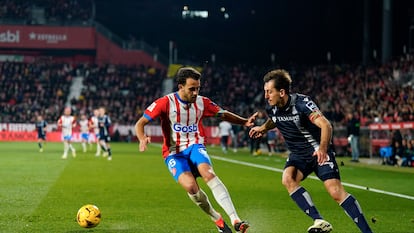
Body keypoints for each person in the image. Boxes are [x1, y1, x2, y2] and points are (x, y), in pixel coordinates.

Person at [249, 69, 373, 233]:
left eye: (269, 91)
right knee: (288, 179)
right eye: (265, 91)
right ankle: (319, 220)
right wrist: (263, 128)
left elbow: (325, 124)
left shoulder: (302, 103)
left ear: (282, 92)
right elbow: (274, 119)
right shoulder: (271, 107)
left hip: (317, 152)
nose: (266, 96)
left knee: (336, 192)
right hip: (298, 155)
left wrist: (322, 149)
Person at [135, 67, 254, 233]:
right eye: (192, 88)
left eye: (198, 88)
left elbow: (223, 114)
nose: (196, 92)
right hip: (173, 153)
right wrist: (142, 138)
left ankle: (235, 219)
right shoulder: (164, 103)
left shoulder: (202, 102)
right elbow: (140, 123)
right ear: (180, 87)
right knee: (191, 187)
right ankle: (217, 219)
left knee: (208, 174)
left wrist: (244, 122)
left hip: (195, 145)